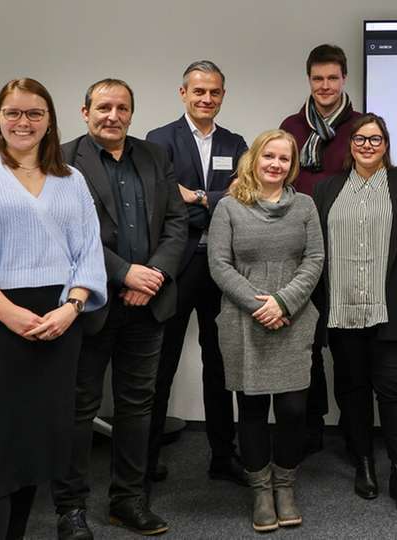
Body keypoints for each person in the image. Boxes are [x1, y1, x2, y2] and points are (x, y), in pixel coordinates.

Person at [0, 78, 106, 540]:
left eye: (34, 114)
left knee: (33, 450)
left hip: (57, 325)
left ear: (49, 122)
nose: (23, 122)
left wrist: (71, 307)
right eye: (13, 113)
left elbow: (89, 251)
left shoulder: (71, 178)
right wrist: (8, 313)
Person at [52, 78, 187, 538]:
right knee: (80, 406)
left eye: (122, 107)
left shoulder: (154, 156)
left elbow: (176, 222)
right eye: (104, 106)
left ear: (132, 113)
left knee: (136, 406)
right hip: (90, 304)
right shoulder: (64, 159)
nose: (113, 115)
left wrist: (153, 277)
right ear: (85, 110)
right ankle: (70, 508)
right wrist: (123, 273)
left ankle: (127, 500)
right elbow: (67, 233)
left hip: (147, 305)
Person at [312, 114, 397, 514]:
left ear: (386, 143)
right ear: (350, 144)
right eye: (361, 139)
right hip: (343, 310)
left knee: (396, 393)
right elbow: (316, 252)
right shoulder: (327, 188)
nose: (368, 145)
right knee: (352, 392)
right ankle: (363, 463)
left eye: (376, 138)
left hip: (394, 309)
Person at [208, 129, 323, 531]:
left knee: (293, 410)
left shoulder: (305, 206)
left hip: (293, 317)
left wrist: (283, 302)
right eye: (269, 156)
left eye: (285, 159)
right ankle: (260, 489)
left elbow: (314, 260)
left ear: (292, 166)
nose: (276, 164)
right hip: (244, 320)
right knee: (253, 409)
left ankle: (285, 483)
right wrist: (260, 305)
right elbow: (219, 264)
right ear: (254, 159)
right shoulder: (228, 207)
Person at [145, 60, 249, 486]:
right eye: (199, 92)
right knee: (161, 363)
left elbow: (244, 192)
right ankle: (146, 461)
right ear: (183, 93)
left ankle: (223, 456)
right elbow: (162, 196)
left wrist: (202, 197)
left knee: (220, 364)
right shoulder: (159, 140)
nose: (207, 99)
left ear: (223, 96)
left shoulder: (236, 141)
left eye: (215, 93)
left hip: (221, 266)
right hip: (177, 265)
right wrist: (198, 200)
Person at [280, 43, 363, 454]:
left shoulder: (362, 127)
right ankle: (309, 430)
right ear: (309, 81)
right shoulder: (292, 127)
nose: (325, 86)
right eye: (318, 79)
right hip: (302, 255)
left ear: (344, 78)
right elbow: (279, 184)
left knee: (349, 351)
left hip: (350, 255)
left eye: (333, 78)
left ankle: (353, 434)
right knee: (306, 348)